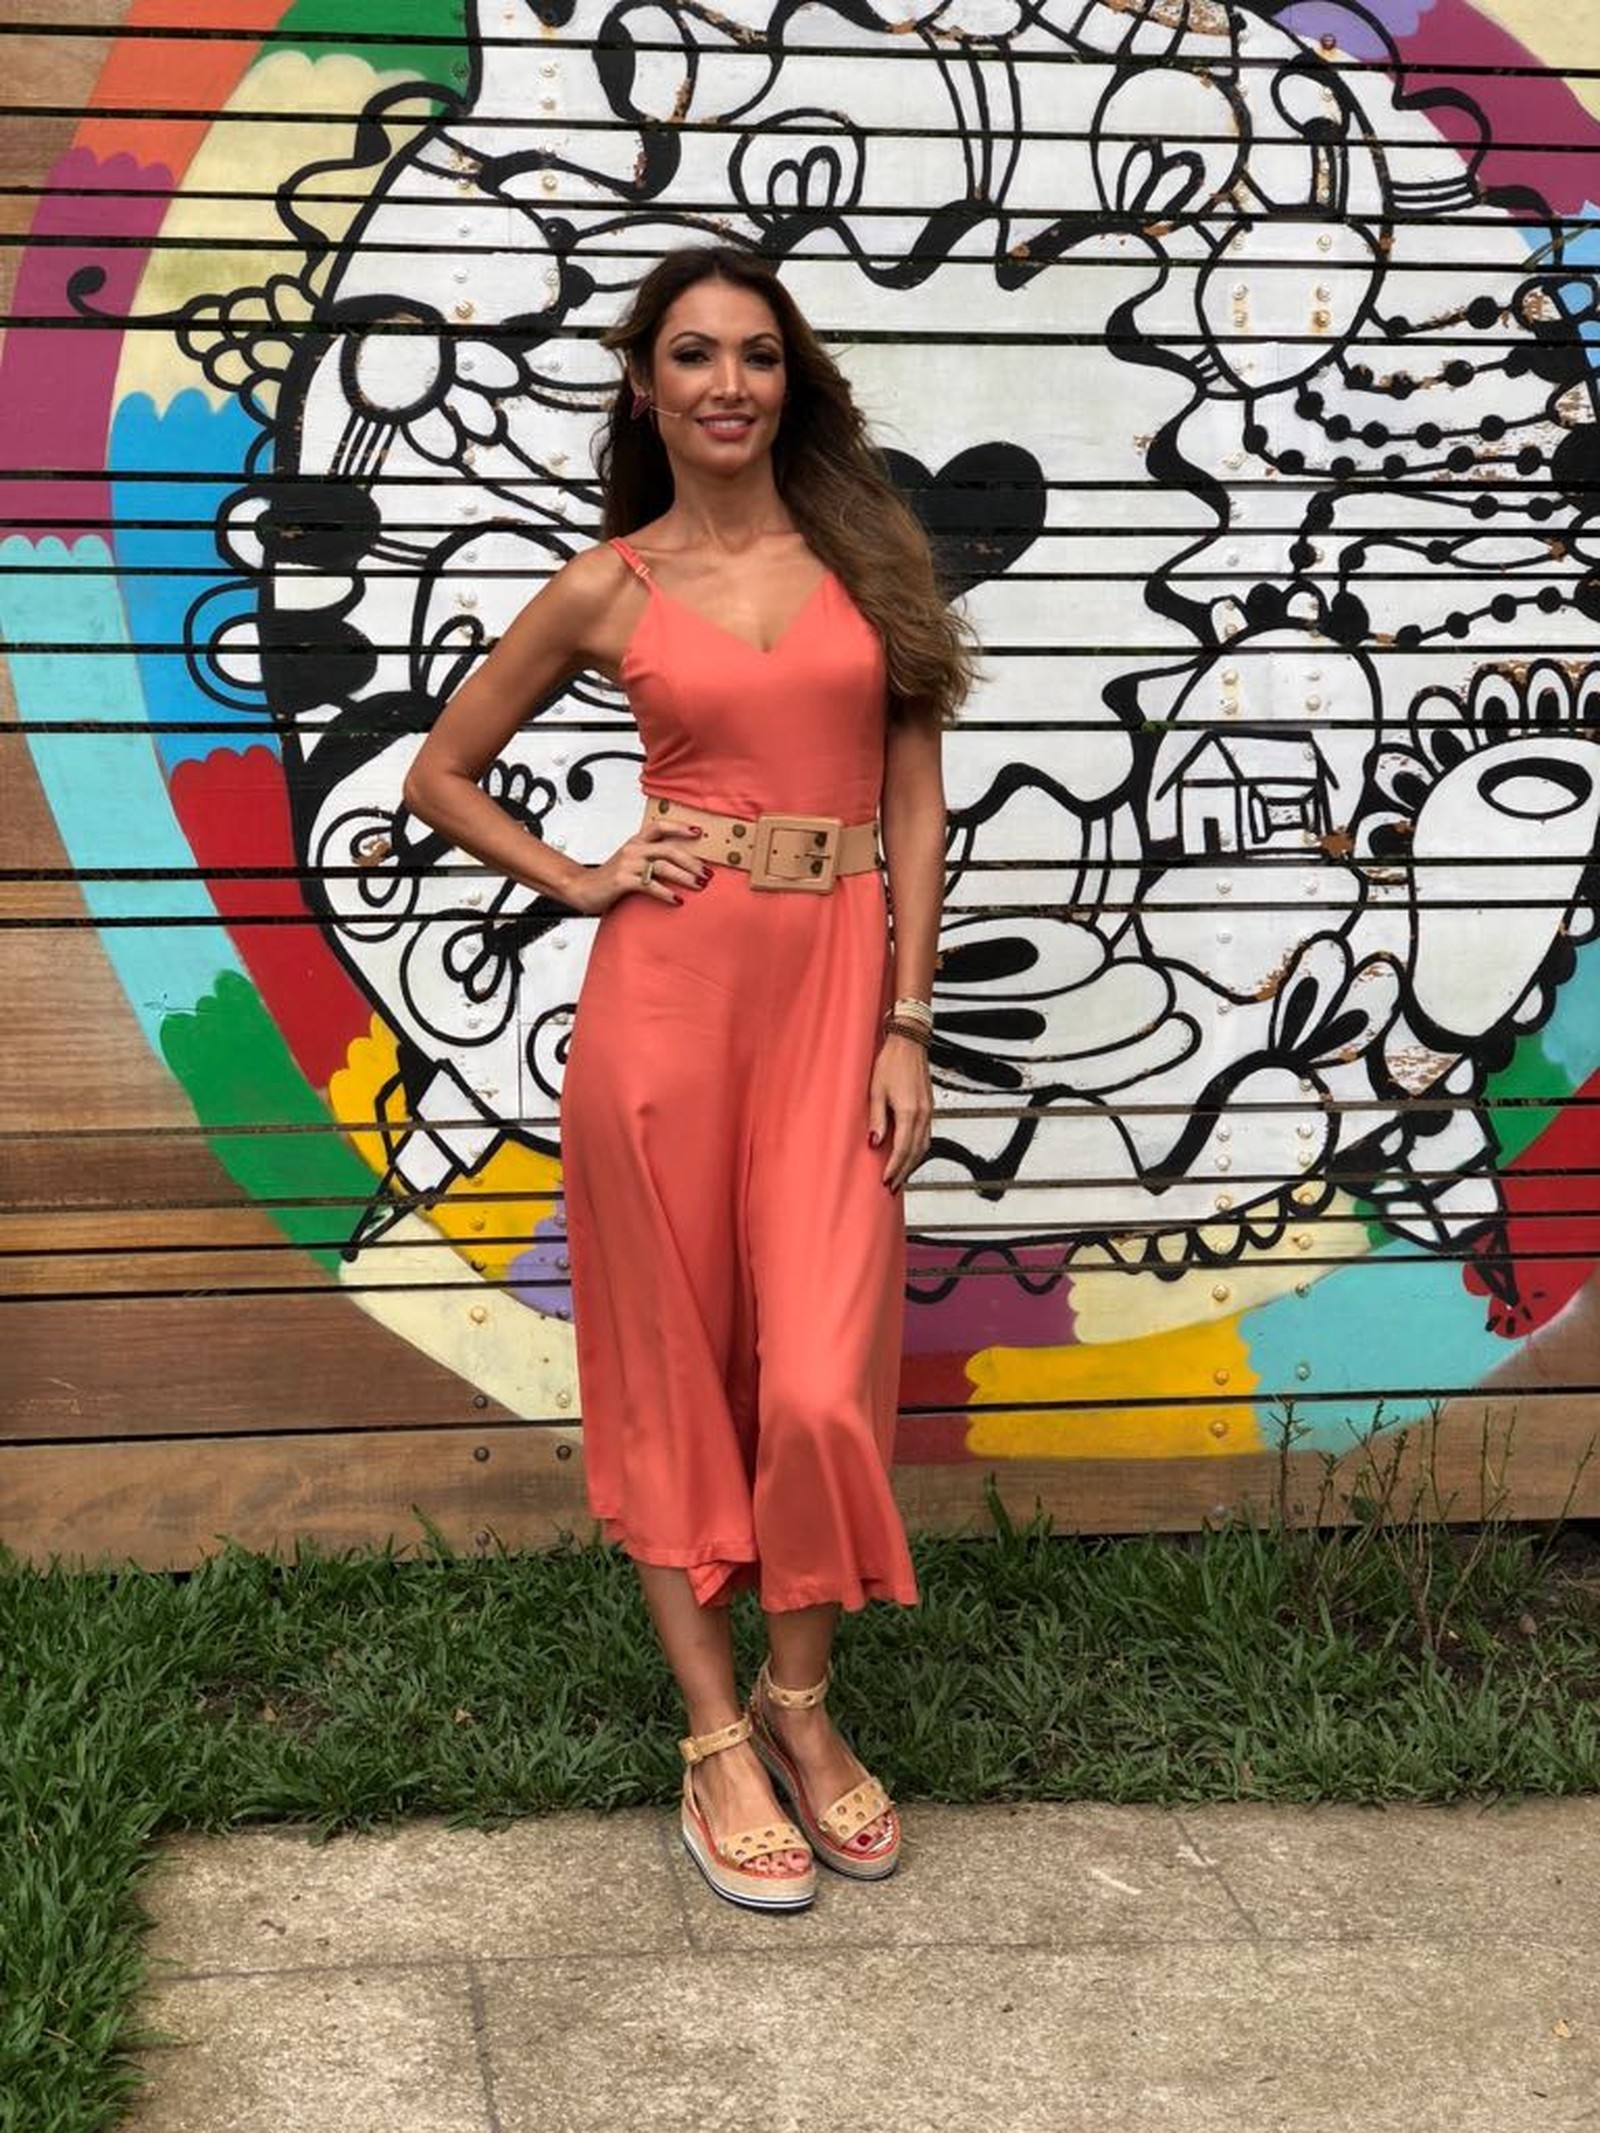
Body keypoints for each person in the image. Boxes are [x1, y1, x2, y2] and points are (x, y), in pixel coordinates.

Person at [402, 243, 969, 1912]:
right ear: (645, 387)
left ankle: (803, 1699)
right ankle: (717, 1734)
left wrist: (909, 1021)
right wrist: (580, 878)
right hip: (668, 1004)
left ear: (796, 383)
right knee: (670, 1366)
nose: (731, 383)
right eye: (696, 354)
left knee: (817, 1381)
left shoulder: (868, 558)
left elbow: (916, 799)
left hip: (835, 999)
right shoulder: (608, 585)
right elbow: (443, 770)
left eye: (760, 355)